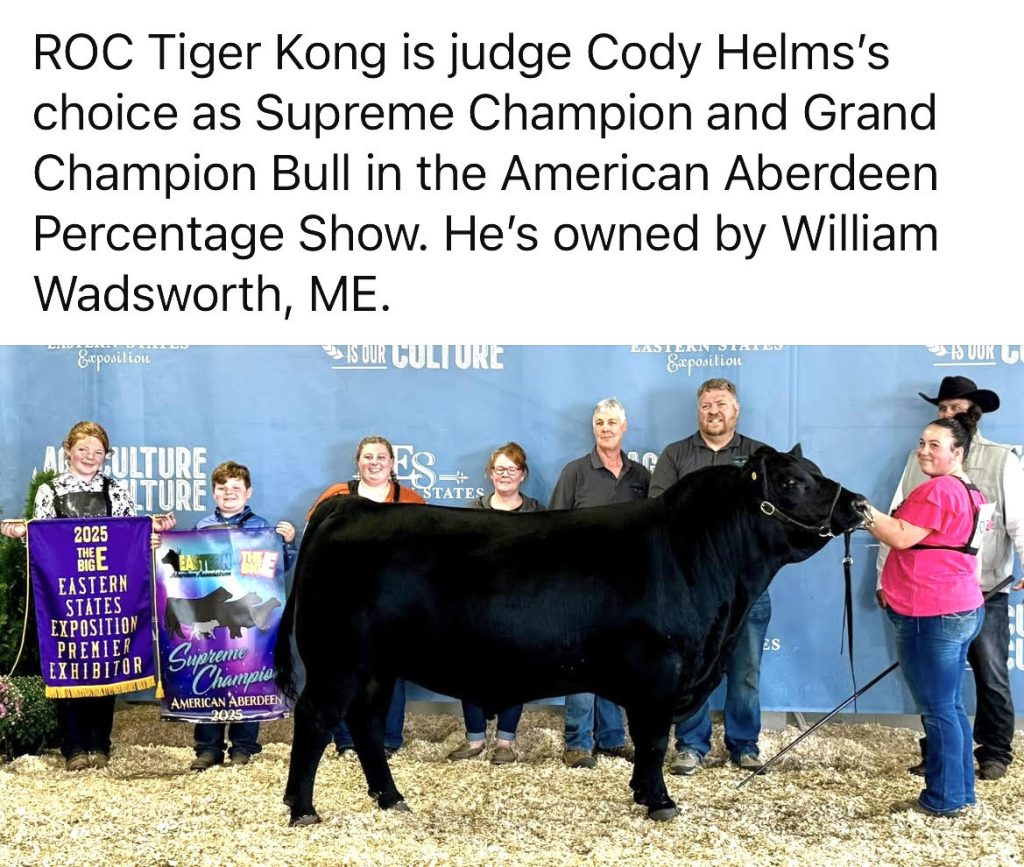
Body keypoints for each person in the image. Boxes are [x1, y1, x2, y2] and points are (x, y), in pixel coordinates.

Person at [0, 421, 176, 771]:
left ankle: (100, 742)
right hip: (66, 594)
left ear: (106, 455)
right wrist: (23, 534)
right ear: (68, 450)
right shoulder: (50, 491)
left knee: (108, 659)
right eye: (83, 449)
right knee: (69, 659)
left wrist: (149, 538)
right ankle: (73, 746)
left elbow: (129, 536)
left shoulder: (116, 490)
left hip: (109, 593)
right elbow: (43, 539)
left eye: (98, 451)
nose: (90, 456)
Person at [877, 376, 1024, 782]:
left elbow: (1018, 521)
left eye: (956, 408)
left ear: (974, 412)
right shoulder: (919, 461)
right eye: (943, 409)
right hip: (929, 593)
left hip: (985, 587)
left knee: (989, 675)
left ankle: (994, 752)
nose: (948, 414)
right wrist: (882, 578)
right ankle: (941, 758)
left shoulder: (1001, 459)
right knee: (939, 688)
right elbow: (897, 518)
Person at [864, 412, 987, 817]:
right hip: (960, 605)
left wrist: (861, 511)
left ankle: (944, 798)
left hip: (931, 610)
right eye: (922, 443)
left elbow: (900, 536)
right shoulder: (970, 491)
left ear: (958, 452)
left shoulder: (940, 490)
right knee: (949, 705)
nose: (924, 451)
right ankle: (960, 791)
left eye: (935, 445)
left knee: (937, 709)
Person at [648, 378, 769, 775]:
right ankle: (691, 745)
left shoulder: (760, 457)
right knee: (692, 668)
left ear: (736, 410)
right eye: (706, 405)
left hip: (746, 589)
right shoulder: (676, 455)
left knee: (746, 671)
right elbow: (658, 514)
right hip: (692, 592)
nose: (713, 411)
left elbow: (770, 519)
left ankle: (744, 745)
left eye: (721, 404)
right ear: (698, 411)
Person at [307, 435, 425, 757]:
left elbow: (424, 553)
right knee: (344, 669)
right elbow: (315, 541)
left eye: (381, 457)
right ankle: (347, 740)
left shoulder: (411, 500)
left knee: (391, 670)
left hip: (392, 601)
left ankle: (388, 739)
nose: (374, 463)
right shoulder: (336, 496)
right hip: (342, 600)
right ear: (358, 462)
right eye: (368, 457)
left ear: (392, 463)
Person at [549, 398, 650, 769]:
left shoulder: (641, 476)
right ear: (594, 429)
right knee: (580, 662)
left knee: (617, 664)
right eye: (600, 423)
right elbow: (554, 526)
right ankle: (577, 742)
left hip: (627, 588)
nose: (606, 428)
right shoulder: (575, 472)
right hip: (582, 585)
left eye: (612, 422)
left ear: (624, 428)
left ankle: (611, 739)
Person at [189, 460, 297, 771]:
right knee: (209, 678)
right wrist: (163, 545)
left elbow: (279, 569)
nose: (229, 492)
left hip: (247, 621)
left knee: (248, 677)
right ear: (213, 492)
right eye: (222, 488)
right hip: (214, 617)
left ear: (248, 492)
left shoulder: (261, 528)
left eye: (236, 487)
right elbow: (184, 570)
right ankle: (208, 748)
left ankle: (244, 746)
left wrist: (288, 544)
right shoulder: (200, 529)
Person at [446, 442, 544, 766]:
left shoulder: (536, 512)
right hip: (478, 606)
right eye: (499, 469)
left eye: (512, 469)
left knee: (515, 672)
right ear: (489, 473)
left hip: (521, 607)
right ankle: (474, 739)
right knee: (470, 670)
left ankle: (505, 741)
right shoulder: (472, 511)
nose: (505, 475)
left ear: (523, 474)